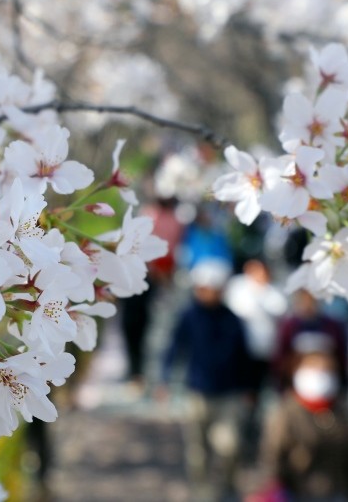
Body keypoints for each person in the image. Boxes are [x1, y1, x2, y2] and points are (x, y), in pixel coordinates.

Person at [162, 259, 253, 500]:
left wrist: (248, 388)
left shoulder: (233, 319)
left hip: (229, 393)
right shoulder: (189, 316)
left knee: (229, 445)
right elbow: (175, 347)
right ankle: (201, 492)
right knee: (197, 450)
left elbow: (244, 355)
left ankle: (228, 487)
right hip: (198, 392)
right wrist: (166, 377)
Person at [256, 336, 348, 502]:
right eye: (313, 366)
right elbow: (271, 457)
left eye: (326, 368)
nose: (320, 373)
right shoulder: (287, 411)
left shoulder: (340, 410)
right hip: (297, 493)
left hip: (337, 493)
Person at [225, 258, 289, 459]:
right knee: (246, 396)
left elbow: (280, 310)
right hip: (242, 354)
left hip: (266, 354)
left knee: (260, 396)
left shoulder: (274, 293)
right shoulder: (238, 288)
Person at [120, 196, 183, 386]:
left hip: (154, 277)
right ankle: (136, 371)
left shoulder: (174, 220)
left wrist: (164, 272)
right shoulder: (149, 214)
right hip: (136, 274)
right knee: (133, 325)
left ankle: (145, 373)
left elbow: (170, 249)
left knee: (148, 326)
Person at [273, 290, 348, 398]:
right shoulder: (290, 326)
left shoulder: (332, 326)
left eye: (312, 299)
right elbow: (282, 356)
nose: (308, 303)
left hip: (329, 388)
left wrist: (343, 383)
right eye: (305, 299)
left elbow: (341, 356)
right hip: (297, 388)